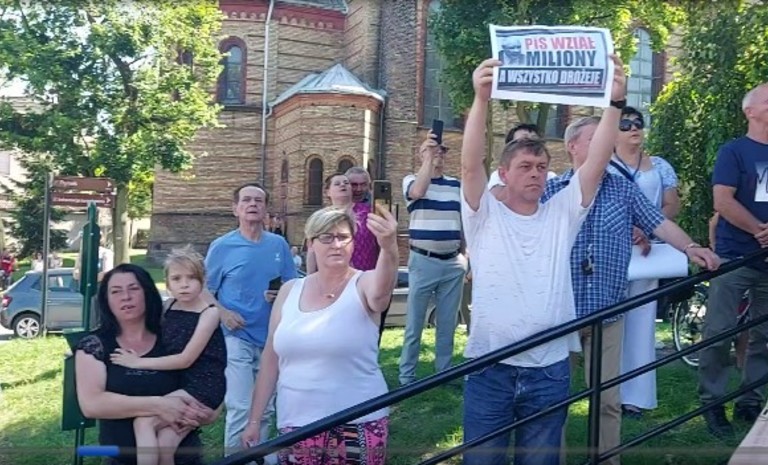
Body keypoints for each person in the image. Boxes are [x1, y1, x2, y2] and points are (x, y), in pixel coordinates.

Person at [459, 55, 625, 465]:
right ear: (503, 173)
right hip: (490, 367)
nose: (535, 173)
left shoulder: (561, 214)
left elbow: (596, 163)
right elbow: (469, 164)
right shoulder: (484, 214)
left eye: (541, 166)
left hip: (549, 369)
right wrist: (480, 99)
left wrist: (615, 104)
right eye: (525, 166)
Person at [544, 116, 720, 465]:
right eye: (594, 138)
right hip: (560, 313)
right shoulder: (551, 192)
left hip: (608, 310)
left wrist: (691, 248)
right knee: (551, 400)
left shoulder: (623, 189)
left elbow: (660, 223)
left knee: (608, 399)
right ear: (572, 147)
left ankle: (606, 460)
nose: (604, 144)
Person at [241, 205, 398, 465]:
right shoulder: (289, 291)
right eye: (326, 237)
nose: (335, 244)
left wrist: (389, 247)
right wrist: (254, 421)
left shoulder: (364, 283)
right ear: (310, 243)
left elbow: (381, 295)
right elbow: (270, 358)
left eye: (343, 237)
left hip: (358, 419)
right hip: (296, 423)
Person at [74, 264, 216, 465]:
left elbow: (210, 381)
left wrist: (206, 413)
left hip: (184, 456)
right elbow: (92, 404)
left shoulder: (176, 338)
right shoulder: (95, 345)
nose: (126, 297)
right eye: (116, 291)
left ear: (148, 293)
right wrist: (160, 405)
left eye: (133, 288)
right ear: (106, 300)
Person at [204, 182, 297, 459]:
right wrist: (223, 313)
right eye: (246, 200)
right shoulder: (222, 246)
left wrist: (279, 294)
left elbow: (292, 286)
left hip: (271, 337)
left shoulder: (278, 244)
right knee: (241, 406)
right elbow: (204, 291)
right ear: (235, 209)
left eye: (258, 200)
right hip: (236, 336)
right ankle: (235, 459)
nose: (253, 204)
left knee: (265, 408)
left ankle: (262, 459)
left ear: (266, 208)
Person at [110, 247, 226, 465]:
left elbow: (186, 359)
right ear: (168, 284)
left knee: (143, 423)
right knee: (165, 444)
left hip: (203, 385)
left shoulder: (209, 313)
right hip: (181, 382)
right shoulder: (168, 306)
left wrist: (137, 363)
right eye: (177, 278)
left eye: (191, 278)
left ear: (203, 281)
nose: (184, 284)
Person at [698, 82, 768, 438]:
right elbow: (723, 201)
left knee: (764, 336)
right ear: (749, 111)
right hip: (735, 257)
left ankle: (750, 400)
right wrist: (759, 230)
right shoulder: (734, 151)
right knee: (719, 333)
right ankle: (712, 402)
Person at [610, 106, 681, 418]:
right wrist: (627, 227)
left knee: (641, 321)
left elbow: (672, 204)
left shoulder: (660, 165)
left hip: (647, 251)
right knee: (612, 322)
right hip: (613, 249)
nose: (634, 128)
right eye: (625, 124)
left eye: (638, 123)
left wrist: (647, 227)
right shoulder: (604, 165)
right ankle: (609, 390)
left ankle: (635, 398)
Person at [399, 136, 467, 386]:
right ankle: (407, 376)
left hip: (452, 262)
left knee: (447, 323)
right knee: (415, 323)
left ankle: (443, 373)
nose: (439, 153)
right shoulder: (410, 181)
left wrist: (465, 255)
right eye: (431, 150)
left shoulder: (456, 185)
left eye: (442, 150)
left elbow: (463, 222)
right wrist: (427, 159)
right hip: (423, 259)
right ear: (421, 154)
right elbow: (417, 192)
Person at [488, 123, 557, 192]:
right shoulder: (498, 176)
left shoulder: (551, 178)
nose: (530, 145)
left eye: (534, 141)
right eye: (523, 141)